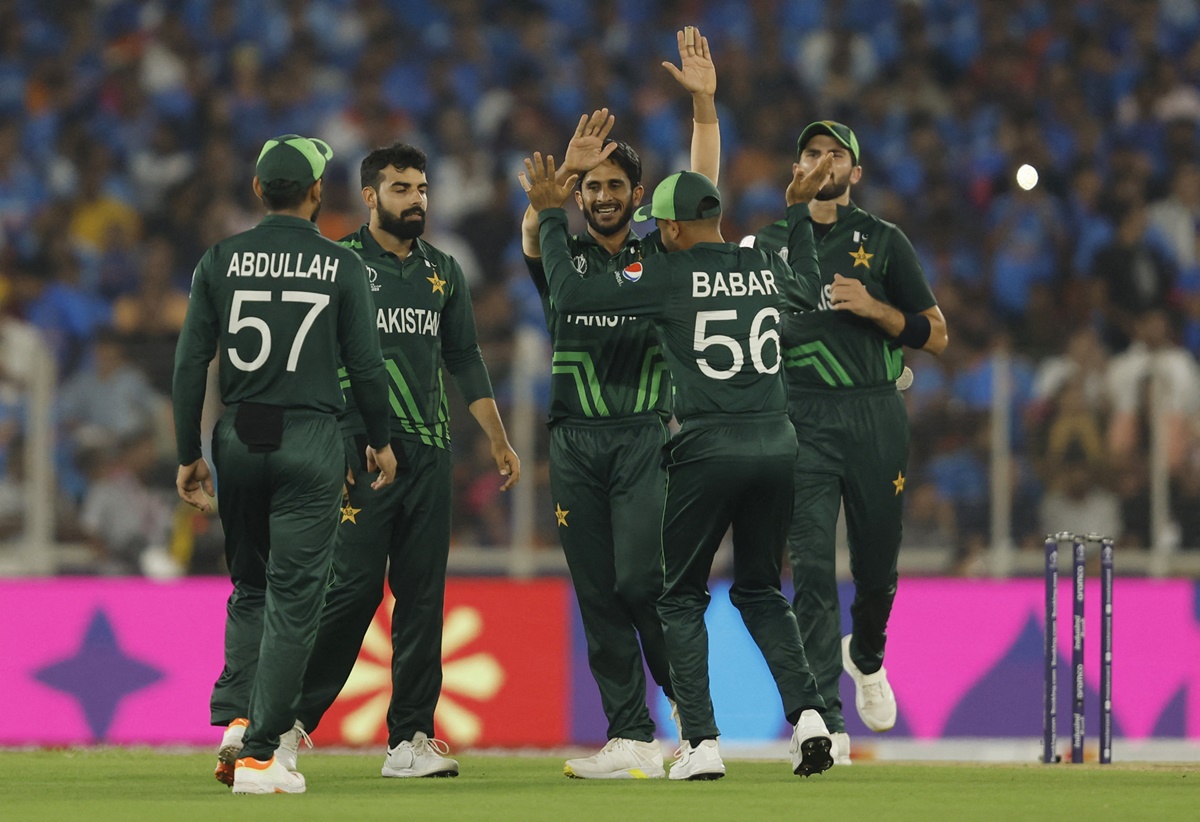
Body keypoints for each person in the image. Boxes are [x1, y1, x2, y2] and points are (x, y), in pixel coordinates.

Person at [522, 152, 838, 780]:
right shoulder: (760, 262)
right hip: (778, 444)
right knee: (759, 590)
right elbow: (809, 284)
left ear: (666, 228)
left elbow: (576, 293)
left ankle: (700, 741)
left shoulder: (666, 274)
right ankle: (810, 717)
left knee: (676, 596)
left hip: (706, 446)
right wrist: (799, 211)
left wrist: (551, 216)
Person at [519, 25, 718, 780]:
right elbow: (535, 236)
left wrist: (703, 110)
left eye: (613, 186)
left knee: (642, 581)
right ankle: (631, 735)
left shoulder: (661, 252)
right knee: (597, 592)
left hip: (641, 436)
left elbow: (704, 194)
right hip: (571, 441)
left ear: (638, 197)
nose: (600, 196)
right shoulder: (560, 253)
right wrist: (556, 185)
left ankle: (694, 724)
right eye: (590, 187)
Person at [285, 142, 521, 779]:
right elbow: (312, 361)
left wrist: (498, 437)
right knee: (353, 594)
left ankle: (410, 739)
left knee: (422, 599)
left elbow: (465, 358)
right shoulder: (338, 266)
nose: (415, 200)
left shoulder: (441, 271)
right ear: (369, 197)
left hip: (430, 454)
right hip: (360, 453)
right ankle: (287, 723)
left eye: (421, 189)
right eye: (401, 189)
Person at [173, 133, 397, 795]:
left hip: (239, 436)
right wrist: (379, 439)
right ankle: (263, 756)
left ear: (256, 193)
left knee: (250, 586)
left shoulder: (220, 260)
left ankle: (238, 723)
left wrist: (190, 452)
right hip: (311, 437)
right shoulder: (342, 266)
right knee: (298, 601)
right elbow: (367, 366)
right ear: (316, 195)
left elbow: (190, 364)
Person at [746, 121, 949, 764]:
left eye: (837, 155)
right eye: (812, 152)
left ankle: (867, 657)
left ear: (855, 174)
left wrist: (877, 311)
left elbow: (937, 335)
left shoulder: (884, 242)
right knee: (807, 565)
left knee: (876, 567)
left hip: (873, 413)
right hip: (800, 414)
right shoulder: (770, 242)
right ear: (797, 166)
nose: (824, 162)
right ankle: (822, 718)